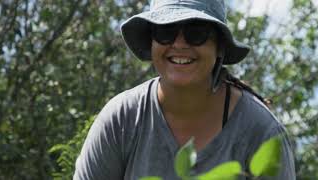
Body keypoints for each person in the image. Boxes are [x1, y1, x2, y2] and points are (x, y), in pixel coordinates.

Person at [73, 0, 296, 179]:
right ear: (152, 43)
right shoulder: (122, 118)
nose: (179, 44)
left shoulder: (260, 131)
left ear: (219, 47)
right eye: (166, 31)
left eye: (196, 32)